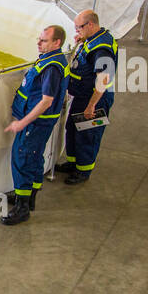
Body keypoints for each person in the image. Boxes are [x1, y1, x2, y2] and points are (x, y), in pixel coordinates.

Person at [0, 25, 68, 225]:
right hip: (39, 123)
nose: (38, 43)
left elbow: (46, 100)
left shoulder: (52, 68)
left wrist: (22, 122)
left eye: (44, 40)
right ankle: (29, 198)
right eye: (39, 39)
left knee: (23, 159)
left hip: (36, 123)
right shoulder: (51, 60)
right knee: (34, 156)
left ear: (57, 43)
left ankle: (22, 207)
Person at [59, 9, 116, 185]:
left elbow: (103, 80)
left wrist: (91, 106)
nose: (77, 31)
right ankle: (74, 162)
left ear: (90, 24)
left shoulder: (102, 49)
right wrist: (82, 39)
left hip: (94, 100)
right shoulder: (95, 38)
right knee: (73, 129)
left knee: (88, 135)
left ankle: (83, 171)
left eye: (79, 28)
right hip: (82, 96)